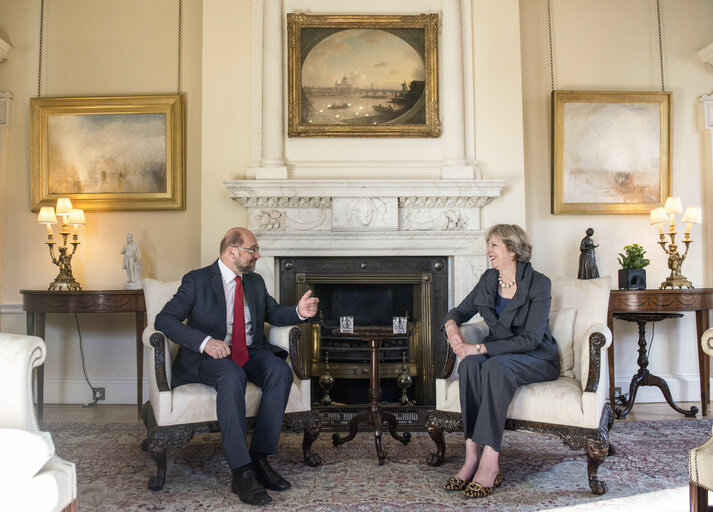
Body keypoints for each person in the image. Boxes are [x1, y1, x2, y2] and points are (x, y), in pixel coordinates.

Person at [155, 227, 319, 506]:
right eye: (252, 250)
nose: (258, 255)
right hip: (208, 358)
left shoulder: (254, 282)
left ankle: (259, 459)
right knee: (232, 376)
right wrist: (205, 342)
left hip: (249, 351)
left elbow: (273, 312)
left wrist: (298, 312)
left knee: (280, 371)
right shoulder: (197, 280)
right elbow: (164, 320)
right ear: (232, 252)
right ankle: (241, 472)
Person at [442, 224, 560, 499]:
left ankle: (490, 461)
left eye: (494, 245)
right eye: (489, 245)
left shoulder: (539, 283)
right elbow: (460, 310)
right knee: (469, 365)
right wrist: (451, 326)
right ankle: (471, 455)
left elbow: (531, 339)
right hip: (501, 354)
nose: (488, 251)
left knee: (492, 365)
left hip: (536, 357)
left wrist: (480, 347)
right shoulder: (488, 280)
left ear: (513, 249)